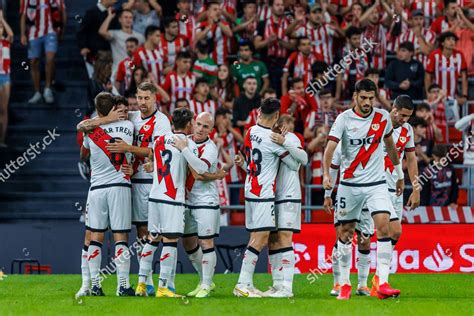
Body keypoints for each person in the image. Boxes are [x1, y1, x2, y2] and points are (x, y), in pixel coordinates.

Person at [323, 79, 404, 300]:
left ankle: (383, 282)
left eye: (371, 98)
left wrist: (399, 175)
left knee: (384, 229)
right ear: (355, 96)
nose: (368, 102)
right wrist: (326, 175)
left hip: (376, 185)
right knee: (345, 234)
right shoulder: (343, 119)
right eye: (364, 98)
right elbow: (330, 149)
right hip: (350, 185)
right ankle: (344, 283)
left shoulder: (383, 117)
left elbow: (390, 146)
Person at [136, 108, 209, 298]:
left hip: (155, 196)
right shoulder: (188, 143)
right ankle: (163, 287)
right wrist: (184, 148)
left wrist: (153, 166)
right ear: (188, 124)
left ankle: (141, 284)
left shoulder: (159, 139)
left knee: (152, 240)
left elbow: (156, 161)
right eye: (193, 122)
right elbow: (200, 168)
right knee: (170, 241)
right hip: (172, 199)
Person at [233, 98, 300, 297]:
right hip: (263, 193)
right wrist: (286, 141)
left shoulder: (251, 132)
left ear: (259, 112)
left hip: (250, 190)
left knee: (259, 237)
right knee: (260, 239)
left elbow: (249, 157)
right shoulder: (273, 140)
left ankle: (248, 284)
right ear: (277, 116)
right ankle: (242, 284)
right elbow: (295, 164)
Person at [79, 92, 135, 296]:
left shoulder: (90, 129)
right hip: (119, 185)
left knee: (95, 237)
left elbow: (82, 155)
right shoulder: (128, 127)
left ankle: (95, 286)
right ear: (113, 107)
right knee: (120, 237)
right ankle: (122, 286)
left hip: (96, 188)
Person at [371, 95, 420, 296]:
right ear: (394, 108)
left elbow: (411, 159)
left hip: (395, 188)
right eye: (402, 115)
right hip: (373, 186)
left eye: (408, 116)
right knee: (362, 234)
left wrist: (416, 188)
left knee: (396, 233)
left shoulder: (407, 130)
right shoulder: (376, 121)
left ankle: (378, 280)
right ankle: (347, 282)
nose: (404, 120)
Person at [183, 112, 229, 298]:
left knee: (206, 242)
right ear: (193, 123)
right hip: (186, 199)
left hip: (205, 200)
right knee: (188, 243)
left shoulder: (210, 148)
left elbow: (199, 173)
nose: (200, 129)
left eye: (205, 127)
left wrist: (184, 151)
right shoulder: (184, 139)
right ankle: (203, 281)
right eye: (199, 124)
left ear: (211, 130)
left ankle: (207, 284)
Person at [324, 143, 375, 297]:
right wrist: (327, 194)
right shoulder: (343, 143)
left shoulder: (376, 142)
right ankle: (338, 282)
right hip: (346, 194)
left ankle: (362, 285)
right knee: (343, 235)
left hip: (368, 196)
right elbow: (333, 168)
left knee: (365, 239)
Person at [266, 114, 308, 297]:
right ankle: (276, 284)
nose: (290, 125)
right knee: (272, 239)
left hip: (289, 195)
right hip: (271, 195)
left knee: (284, 237)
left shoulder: (291, 138)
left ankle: (287, 287)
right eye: (287, 122)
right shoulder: (268, 138)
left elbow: (304, 159)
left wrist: (284, 142)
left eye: (292, 122)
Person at [20, 0, 66, 104]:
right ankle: (37, 92)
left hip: (51, 32)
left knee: (50, 59)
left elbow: (62, 12)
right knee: (33, 62)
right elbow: (23, 14)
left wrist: (62, 29)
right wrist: (23, 34)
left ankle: (47, 88)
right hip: (33, 33)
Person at [254, 0, 294, 96]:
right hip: (267, 62)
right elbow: (256, 45)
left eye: (282, 5)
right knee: (268, 92)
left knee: (282, 91)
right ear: (271, 7)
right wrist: (268, 41)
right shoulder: (262, 24)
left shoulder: (289, 24)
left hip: (284, 63)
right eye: (277, 5)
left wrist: (279, 41)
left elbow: (293, 46)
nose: (280, 7)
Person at [425, 31, 468, 104]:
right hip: (437, 97)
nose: (452, 41)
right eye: (448, 39)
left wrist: (464, 96)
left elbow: (464, 77)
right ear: (442, 43)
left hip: (454, 97)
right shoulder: (435, 55)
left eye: (453, 39)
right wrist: (428, 94)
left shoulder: (459, 55)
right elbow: (427, 76)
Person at [99, 8, 145, 76]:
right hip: (118, 71)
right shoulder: (115, 34)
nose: (128, 19)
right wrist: (109, 17)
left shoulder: (140, 37)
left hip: (134, 72)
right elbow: (101, 32)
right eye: (125, 17)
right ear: (120, 20)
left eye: (130, 17)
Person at [455, 113, 474, 205]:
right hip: (467, 162)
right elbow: (457, 126)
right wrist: (471, 116)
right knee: (467, 190)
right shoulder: (469, 122)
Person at [0, 11, 13, 147]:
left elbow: (11, 34)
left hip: (5, 77)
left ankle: (2, 140)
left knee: (4, 110)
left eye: (0, 27)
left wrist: (2, 19)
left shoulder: (5, 42)